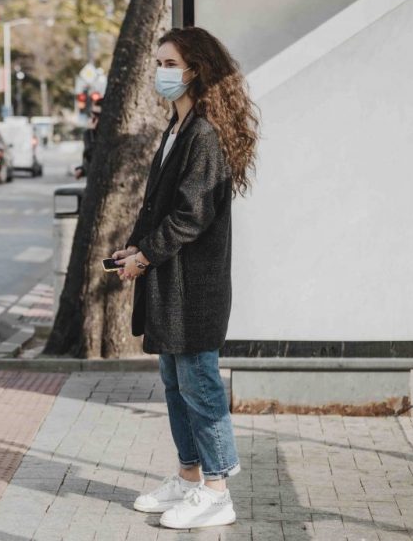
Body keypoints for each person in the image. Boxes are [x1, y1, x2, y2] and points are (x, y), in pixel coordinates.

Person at [112, 27, 259, 530]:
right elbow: (159, 207)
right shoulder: (176, 129)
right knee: (176, 383)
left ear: (195, 69)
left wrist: (145, 257)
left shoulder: (204, 134)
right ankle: (189, 476)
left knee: (200, 384)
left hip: (194, 287)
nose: (160, 73)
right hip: (169, 283)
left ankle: (217, 490)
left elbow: (191, 216)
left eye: (169, 63)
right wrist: (134, 247)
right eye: (158, 63)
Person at [74, 98, 103, 179]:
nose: (94, 118)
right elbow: (89, 158)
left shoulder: (94, 135)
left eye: (97, 115)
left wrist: (90, 134)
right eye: (93, 114)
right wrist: (82, 169)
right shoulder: (91, 133)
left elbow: (94, 155)